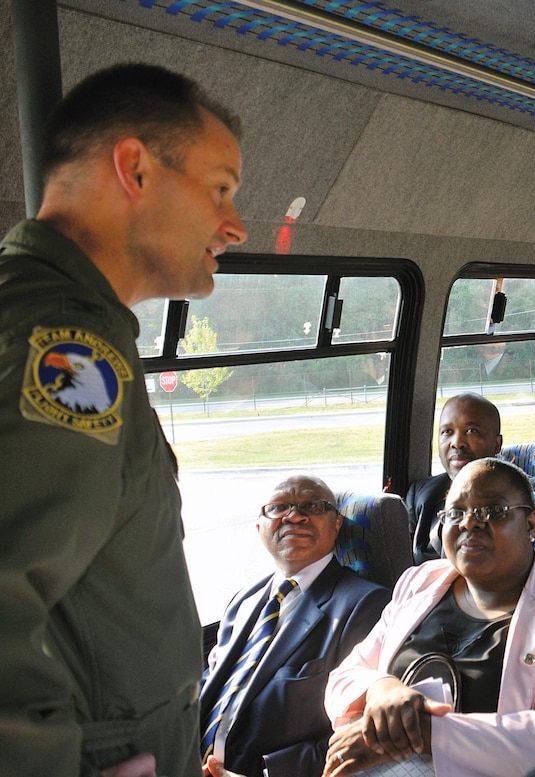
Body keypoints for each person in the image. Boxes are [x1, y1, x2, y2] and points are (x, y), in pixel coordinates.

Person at [0, 64, 246, 777]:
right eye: (221, 188)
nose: (234, 224)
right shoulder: (65, 346)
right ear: (135, 168)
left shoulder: (58, 318)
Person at [323, 458, 535, 777]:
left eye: (492, 511)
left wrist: (424, 731)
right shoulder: (420, 581)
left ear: (530, 524)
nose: (469, 523)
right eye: (455, 512)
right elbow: (345, 676)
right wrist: (382, 688)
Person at [199, 476, 390, 777]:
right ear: (259, 527)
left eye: (312, 506)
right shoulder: (243, 601)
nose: (295, 516)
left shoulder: (366, 606)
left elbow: (362, 730)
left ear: (337, 524)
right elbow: (210, 686)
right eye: (278, 508)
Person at [403, 392, 535, 564]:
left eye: (471, 431)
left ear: (497, 444)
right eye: (447, 432)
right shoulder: (422, 494)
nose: (457, 442)